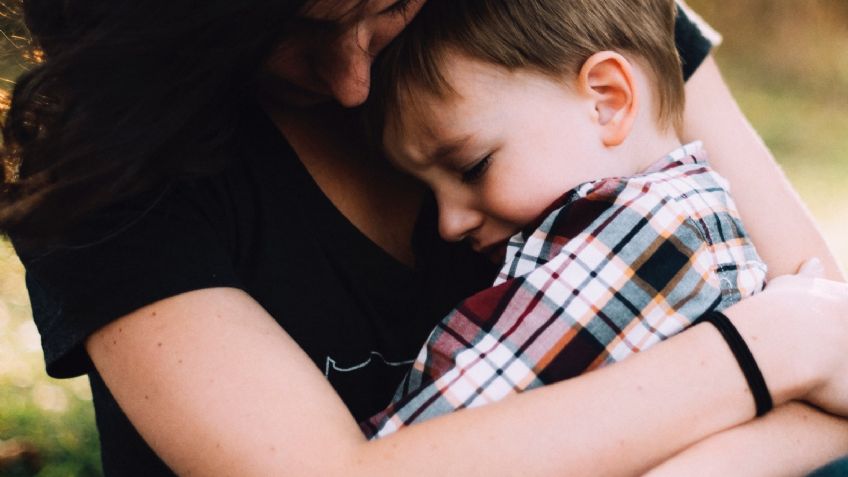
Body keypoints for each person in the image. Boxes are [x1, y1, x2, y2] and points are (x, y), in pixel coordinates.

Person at [0, 0, 846, 475]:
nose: (352, 82)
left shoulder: (569, 25)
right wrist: (767, 348)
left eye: (381, 7)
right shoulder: (108, 160)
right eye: (287, 34)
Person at [362, 0, 769, 437]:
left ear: (607, 100)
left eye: (473, 167)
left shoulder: (644, 237)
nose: (449, 224)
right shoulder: (686, 215)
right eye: (429, 191)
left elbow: (435, 437)